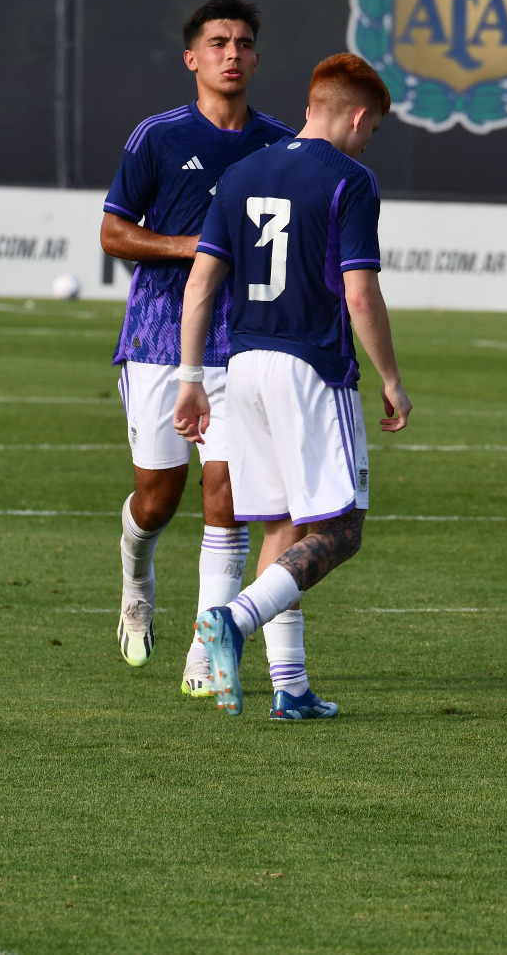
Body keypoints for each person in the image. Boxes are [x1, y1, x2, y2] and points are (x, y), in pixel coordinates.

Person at [175, 52, 412, 719]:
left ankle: (292, 689)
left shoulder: (242, 172)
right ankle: (233, 621)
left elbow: (200, 284)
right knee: (340, 531)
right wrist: (392, 379)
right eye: (374, 128)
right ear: (359, 116)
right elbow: (360, 295)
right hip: (311, 367)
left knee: (280, 523)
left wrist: (192, 379)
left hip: (241, 366)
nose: (370, 141)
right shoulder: (351, 180)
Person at [100, 0, 296, 695]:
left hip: (242, 345)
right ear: (193, 58)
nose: (232, 53)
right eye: (218, 43)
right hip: (158, 341)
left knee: (229, 495)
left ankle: (206, 651)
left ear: (257, 58)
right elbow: (114, 233)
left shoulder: (280, 144)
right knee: (157, 500)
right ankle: (136, 575)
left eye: (244, 43)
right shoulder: (156, 136)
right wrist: (195, 248)